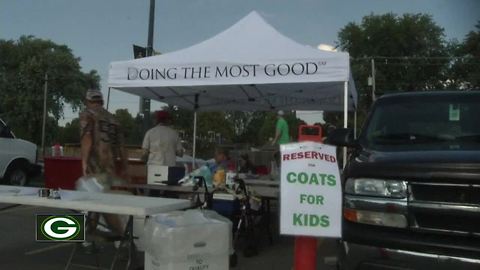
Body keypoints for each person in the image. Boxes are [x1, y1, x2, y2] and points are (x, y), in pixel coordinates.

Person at [79, 89, 129, 237]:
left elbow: (87, 138)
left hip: (95, 164)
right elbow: (122, 147)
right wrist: (126, 168)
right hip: (109, 166)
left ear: (88, 101)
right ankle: (90, 233)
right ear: (101, 101)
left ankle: (122, 236)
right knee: (99, 200)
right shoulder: (114, 119)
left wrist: (84, 162)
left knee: (92, 200)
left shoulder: (87, 115)